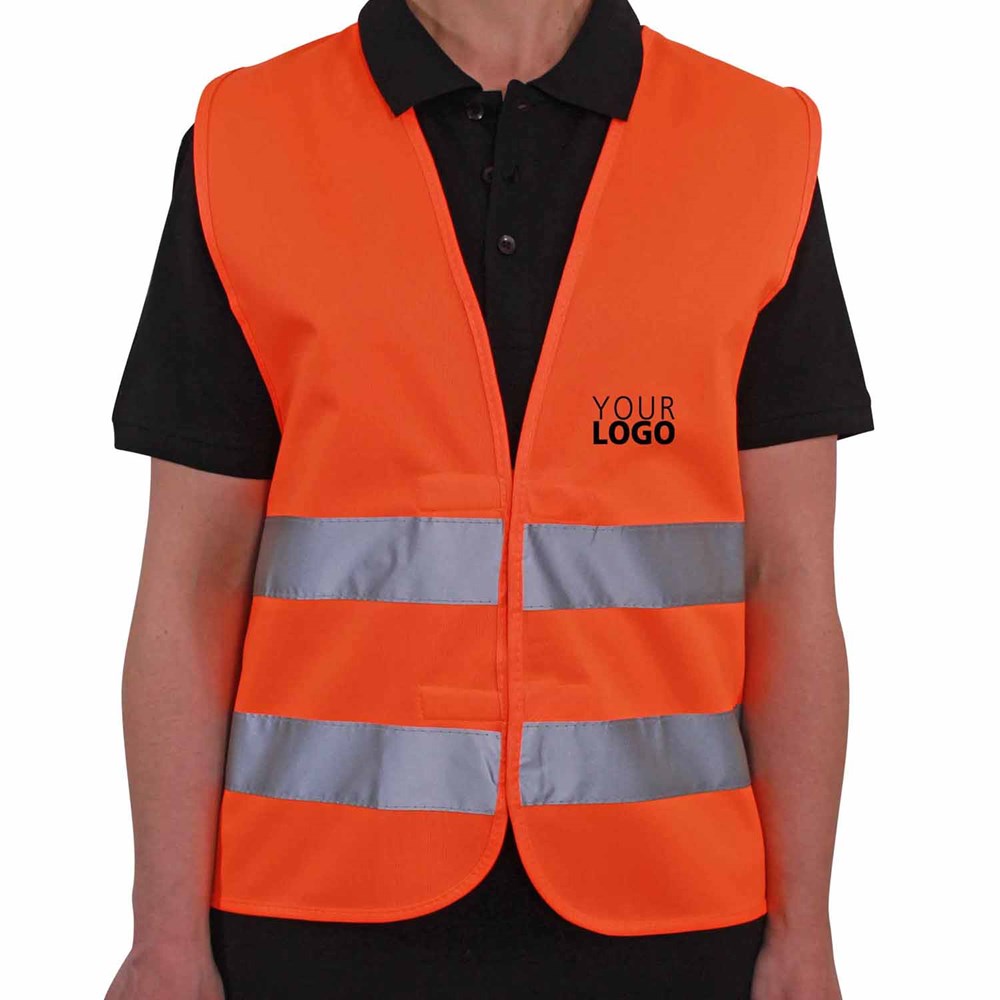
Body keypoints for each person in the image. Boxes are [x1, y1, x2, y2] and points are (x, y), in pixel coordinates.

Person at [106, 1, 873, 997]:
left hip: (669, 917)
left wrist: (804, 933)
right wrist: (164, 938)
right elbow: (192, 576)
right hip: (312, 914)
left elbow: (789, 578)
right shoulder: (249, 140)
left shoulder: (755, 147)